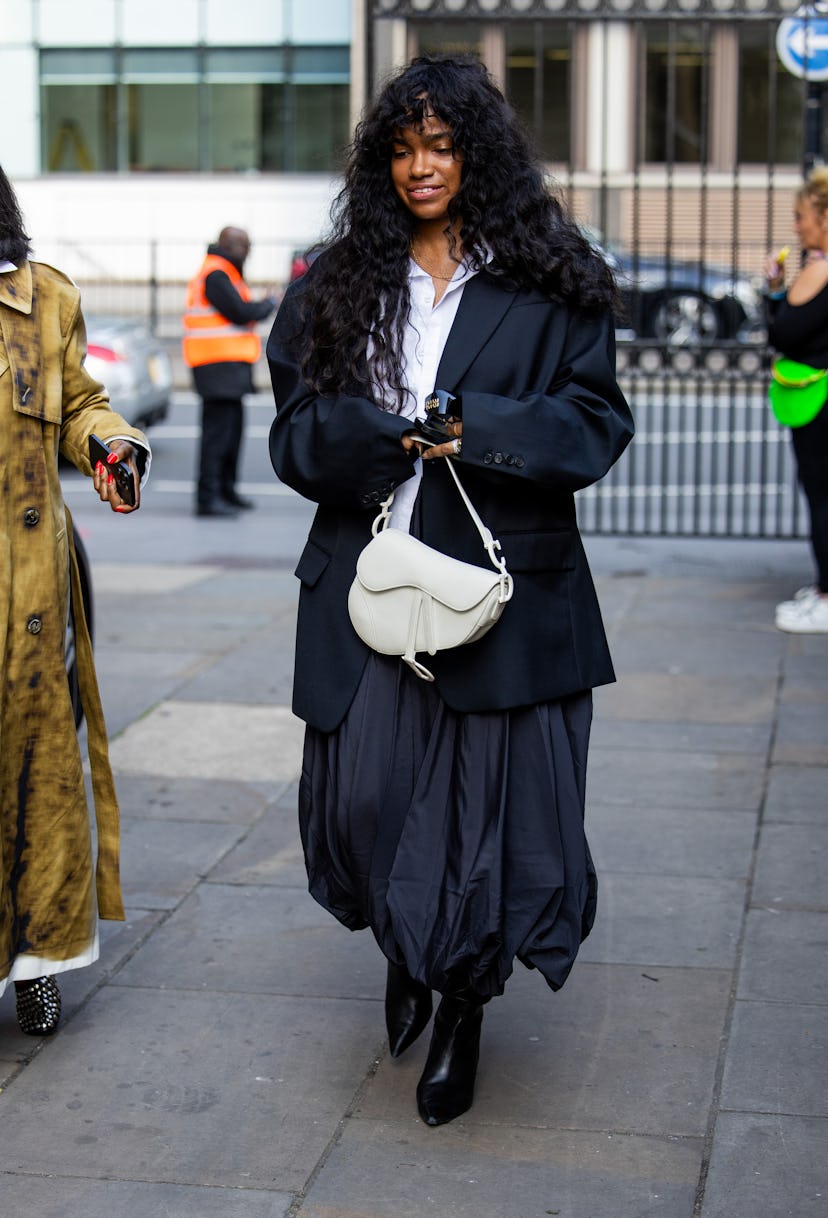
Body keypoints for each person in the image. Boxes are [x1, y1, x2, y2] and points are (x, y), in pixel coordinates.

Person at [267, 56, 634, 1127]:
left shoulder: (554, 275)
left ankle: (463, 1006)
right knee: (370, 801)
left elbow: (597, 424)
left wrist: (484, 427)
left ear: (479, 152)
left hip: (499, 589)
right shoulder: (336, 280)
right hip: (368, 579)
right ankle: (404, 947)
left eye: (441, 144)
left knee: (483, 825)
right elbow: (294, 434)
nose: (421, 166)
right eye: (403, 146)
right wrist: (377, 439)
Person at [0, 163, 149, 1035]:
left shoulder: (43, 297)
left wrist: (110, 445)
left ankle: (37, 962)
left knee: (40, 779)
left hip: (27, 591)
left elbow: (83, 402)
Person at [764, 168, 828, 633]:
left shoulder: (822, 269)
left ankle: (826, 596)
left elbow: (784, 333)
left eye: (802, 216)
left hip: (819, 400)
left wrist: (775, 291)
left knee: (822, 495)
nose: (797, 225)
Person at [183, 227, 277, 517]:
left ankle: (226, 490)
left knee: (232, 432)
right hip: (215, 367)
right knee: (217, 435)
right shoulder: (216, 273)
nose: (248, 252)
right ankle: (208, 498)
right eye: (245, 246)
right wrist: (268, 304)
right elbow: (239, 311)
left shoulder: (227, 272)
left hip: (228, 367)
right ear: (231, 246)